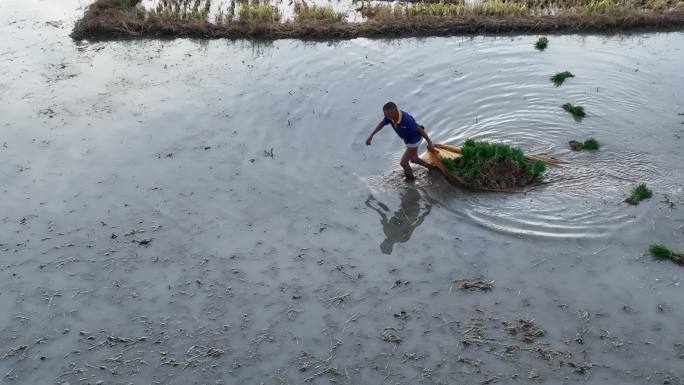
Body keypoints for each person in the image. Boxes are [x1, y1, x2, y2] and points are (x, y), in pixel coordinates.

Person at [365, 102, 436, 180]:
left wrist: (429, 142)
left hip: (415, 139)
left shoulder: (406, 120)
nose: (385, 116)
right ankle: (432, 168)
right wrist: (371, 135)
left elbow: (419, 128)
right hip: (408, 139)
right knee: (414, 159)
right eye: (384, 114)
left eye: (387, 114)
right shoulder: (390, 117)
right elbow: (382, 123)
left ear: (395, 111)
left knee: (403, 163)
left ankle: (411, 180)